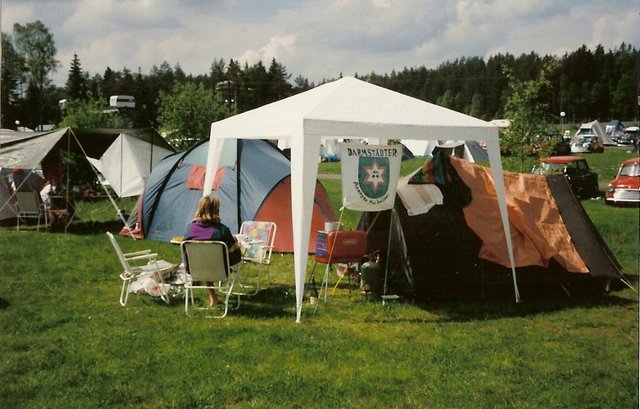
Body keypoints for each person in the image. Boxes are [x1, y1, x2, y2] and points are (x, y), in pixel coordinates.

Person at [184, 194, 242, 307]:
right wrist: (236, 245)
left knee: (204, 258)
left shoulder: (190, 229)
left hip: (195, 269)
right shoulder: (222, 230)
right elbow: (232, 248)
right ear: (217, 210)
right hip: (219, 270)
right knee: (234, 250)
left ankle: (213, 296)